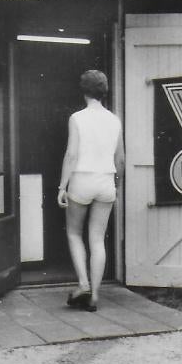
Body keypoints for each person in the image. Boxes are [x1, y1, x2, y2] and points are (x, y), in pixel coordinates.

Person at [57, 70, 124, 312]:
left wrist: (62, 186)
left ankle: (83, 284)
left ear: (83, 91)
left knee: (75, 233)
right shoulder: (115, 120)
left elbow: (72, 154)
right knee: (97, 239)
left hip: (81, 181)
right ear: (104, 91)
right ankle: (94, 295)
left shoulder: (77, 118)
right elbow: (121, 159)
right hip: (105, 181)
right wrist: (117, 184)